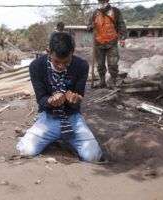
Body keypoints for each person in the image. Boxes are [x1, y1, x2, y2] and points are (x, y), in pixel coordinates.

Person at [17, 32, 103, 162]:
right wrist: (51, 101)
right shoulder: (36, 66)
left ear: (72, 52)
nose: (61, 66)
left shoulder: (81, 66)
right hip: (48, 117)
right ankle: (52, 136)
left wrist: (75, 99)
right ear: (48, 51)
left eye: (66, 62)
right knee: (25, 151)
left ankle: (62, 138)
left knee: (93, 157)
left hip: (72, 118)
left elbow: (79, 97)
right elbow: (41, 99)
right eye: (57, 61)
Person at [88, 0, 127, 88]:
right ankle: (102, 81)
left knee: (113, 64)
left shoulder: (115, 11)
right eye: (99, 1)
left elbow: (121, 25)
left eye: (102, 0)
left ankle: (113, 81)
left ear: (107, 1)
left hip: (112, 42)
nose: (100, 2)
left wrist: (122, 38)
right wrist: (91, 26)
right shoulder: (95, 13)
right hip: (98, 43)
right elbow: (88, 27)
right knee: (100, 64)